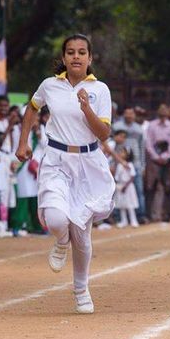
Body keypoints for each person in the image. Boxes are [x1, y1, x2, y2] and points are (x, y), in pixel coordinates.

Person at [16, 33, 114, 314]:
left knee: (81, 233)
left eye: (82, 52)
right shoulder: (50, 85)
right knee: (57, 219)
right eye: (70, 52)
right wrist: (23, 142)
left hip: (88, 163)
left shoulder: (100, 90)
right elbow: (32, 108)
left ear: (90, 58)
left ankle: (81, 289)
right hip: (57, 158)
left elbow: (104, 133)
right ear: (63, 57)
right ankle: (60, 241)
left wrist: (86, 108)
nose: (76, 57)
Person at [144, 104, 170, 222]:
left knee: (169, 186)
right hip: (154, 156)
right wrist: (156, 157)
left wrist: (165, 156)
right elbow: (148, 143)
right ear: (158, 113)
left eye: (165, 112)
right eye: (161, 112)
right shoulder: (152, 125)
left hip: (167, 157)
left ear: (167, 114)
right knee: (150, 186)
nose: (163, 114)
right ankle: (148, 214)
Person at [114, 147, 139, 228]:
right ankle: (123, 221)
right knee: (122, 204)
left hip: (128, 187)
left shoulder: (130, 164)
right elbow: (117, 177)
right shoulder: (119, 166)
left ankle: (133, 220)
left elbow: (132, 176)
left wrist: (126, 186)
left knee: (130, 204)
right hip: (121, 186)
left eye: (123, 152)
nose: (121, 154)